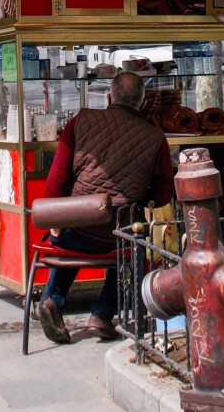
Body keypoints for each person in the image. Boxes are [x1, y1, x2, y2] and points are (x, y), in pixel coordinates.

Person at [37, 71, 175, 345]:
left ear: (109, 97)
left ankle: (52, 300)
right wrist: (137, 196)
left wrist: (55, 220)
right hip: (119, 237)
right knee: (134, 242)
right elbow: (163, 195)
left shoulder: (81, 121)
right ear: (142, 102)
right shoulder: (155, 137)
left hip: (76, 230)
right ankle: (101, 315)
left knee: (67, 232)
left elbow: (57, 180)